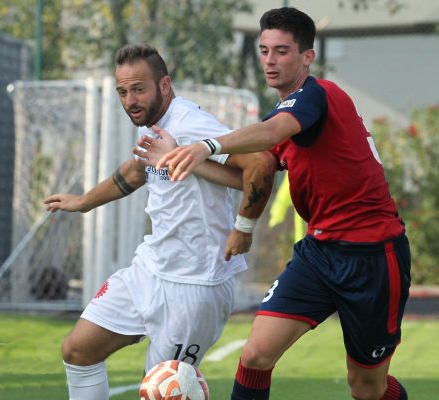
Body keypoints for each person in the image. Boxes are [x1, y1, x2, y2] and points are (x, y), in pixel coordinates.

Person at [153, 7, 411, 400]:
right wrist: (181, 160)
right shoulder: (285, 113)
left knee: (367, 388)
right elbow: (249, 175)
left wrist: (207, 145)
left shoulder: (318, 95)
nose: (270, 61)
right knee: (256, 354)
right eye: (264, 50)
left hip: (373, 257)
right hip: (320, 253)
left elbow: (273, 129)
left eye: (282, 51)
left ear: (307, 56)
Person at [43, 43, 277, 400]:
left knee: (161, 390)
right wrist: (83, 202)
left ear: (164, 86)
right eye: (123, 91)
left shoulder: (188, 123)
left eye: (139, 89)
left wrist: (243, 229)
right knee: (78, 351)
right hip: (150, 268)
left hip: (196, 284)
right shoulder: (151, 125)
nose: (130, 100)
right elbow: (137, 170)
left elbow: (260, 164)